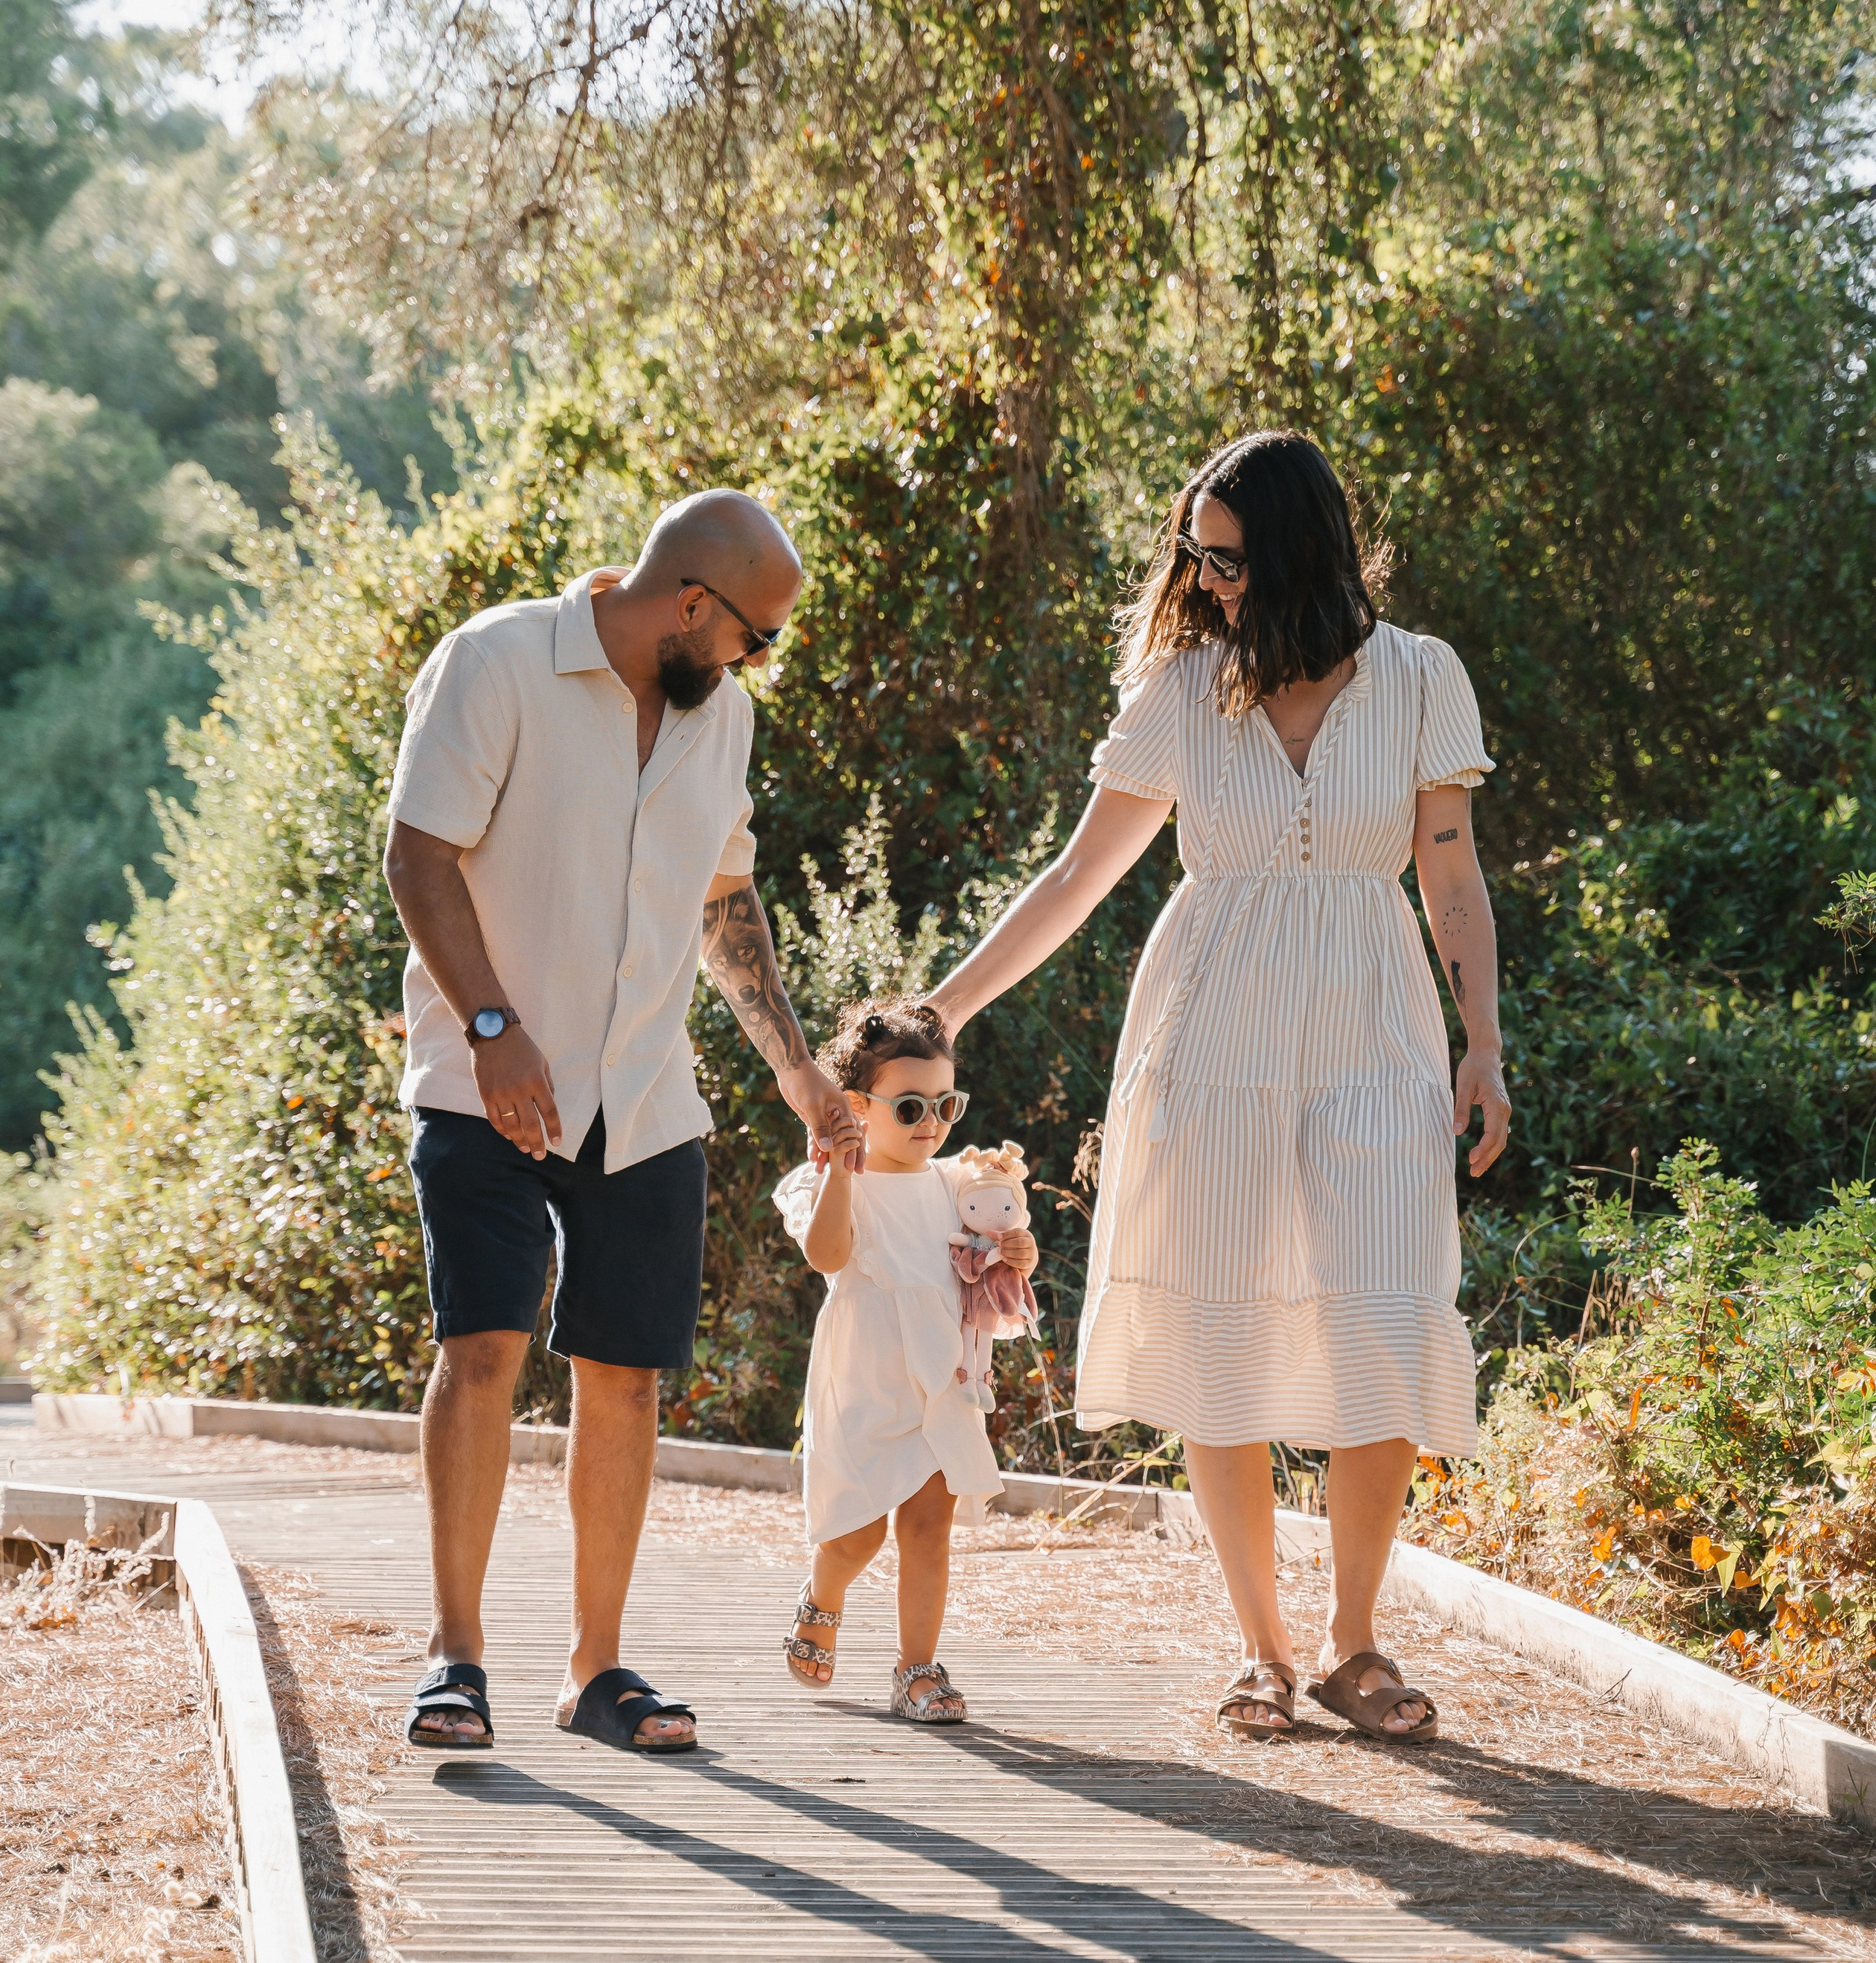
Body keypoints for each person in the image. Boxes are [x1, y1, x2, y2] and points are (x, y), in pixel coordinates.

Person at [928, 430, 1510, 1743]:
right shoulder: (1184, 689)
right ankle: (1264, 1650)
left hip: (1376, 1029)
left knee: (1381, 1317)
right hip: (1211, 1037)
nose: (1206, 579)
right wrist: (944, 1009)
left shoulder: (1421, 678)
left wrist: (1483, 1045)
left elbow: (1452, 875)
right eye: (1195, 554)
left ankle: (1358, 1644)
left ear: (1302, 551)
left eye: (1230, 558)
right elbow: (1077, 880)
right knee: (1219, 1331)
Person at [383, 489, 864, 1756]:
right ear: (691, 605)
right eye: (755, 637)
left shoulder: (723, 718)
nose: (759, 664)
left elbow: (725, 900)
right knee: (483, 1347)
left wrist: (797, 1072)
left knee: (626, 1378)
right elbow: (417, 854)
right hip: (483, 1079)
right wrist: (493, 1029)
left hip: (645, 1095)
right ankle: (457, 1659)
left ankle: (596, 1670)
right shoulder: (493, 663)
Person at [772, 998, 1039, 1725]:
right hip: (862, 1378)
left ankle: (916, 1667)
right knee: (856, 1530)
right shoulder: (827, 1182)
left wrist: (1019, 1252)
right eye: (912, 1106)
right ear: (857, 1105)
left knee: (929, 1525)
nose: (932, 1125)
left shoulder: (955, 1183)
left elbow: (1003, 1242)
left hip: (942, 1377)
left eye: (946, 1105)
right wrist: (835, 1169)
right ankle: (824, 1593)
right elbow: (827, 1256)